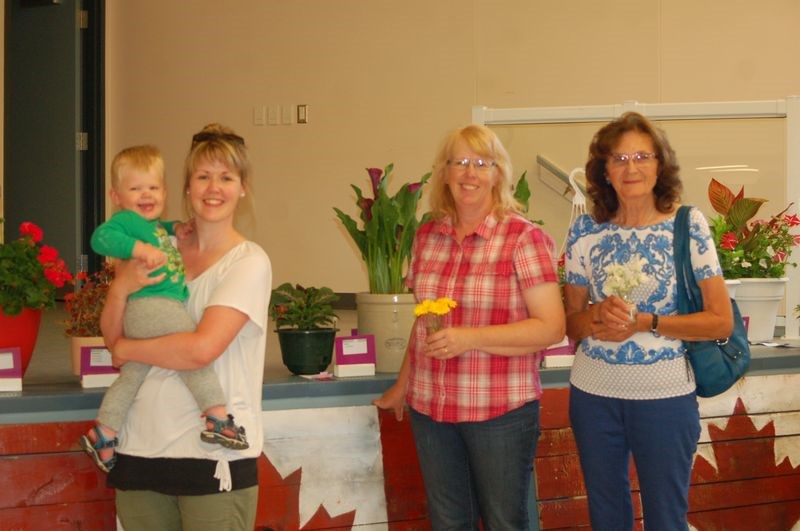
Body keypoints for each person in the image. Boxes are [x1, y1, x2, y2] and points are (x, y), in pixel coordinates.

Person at [374, 124, 566, 530]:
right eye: (459, 162)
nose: (469, 173)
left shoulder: (523, 239)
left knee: (504, 522)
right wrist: (402, 385)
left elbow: (551, 328)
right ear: (444, 172)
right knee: (447, 522)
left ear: (499, 173)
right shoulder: (427, 237)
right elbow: (424, 321)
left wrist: (469, 338)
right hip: (432, 409)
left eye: (482, 163)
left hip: (499, 411)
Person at [563, 112, 733, 531]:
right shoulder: (585, 229)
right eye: (618, 159)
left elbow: (720, 322)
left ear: (661, 164)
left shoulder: (687, 225)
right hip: (593, 397)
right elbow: (571, 325)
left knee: (666, 519)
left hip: (665, 397)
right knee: (606, 517)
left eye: (642, 155)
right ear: (604, 170)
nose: (631, 167)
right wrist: (596, 314)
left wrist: (647, 322)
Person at [99, 124, 271, 530]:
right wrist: (121, 287)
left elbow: (200, 350)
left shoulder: (249, 262)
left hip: (213, 460)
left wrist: (128, 350)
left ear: (243, 187)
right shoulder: (157, 250)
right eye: (203, 176)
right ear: (187, 187)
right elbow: (111, 336)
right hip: (140, 448)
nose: (214, 188)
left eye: (226, 177)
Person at [80, 145, 248, 475]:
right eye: (136, 188)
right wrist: (137, 249)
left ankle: (105, 431)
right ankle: (217, 416)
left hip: (142, 312)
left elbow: (158, 230)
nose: (146, 195)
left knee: (132, 375)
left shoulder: (154, 226)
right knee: (192, 357)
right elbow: (101, 238)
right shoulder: (125, 222)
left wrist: (174, 228)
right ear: (116, 196)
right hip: (158, 306)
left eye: (153, 188)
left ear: (166, 192)